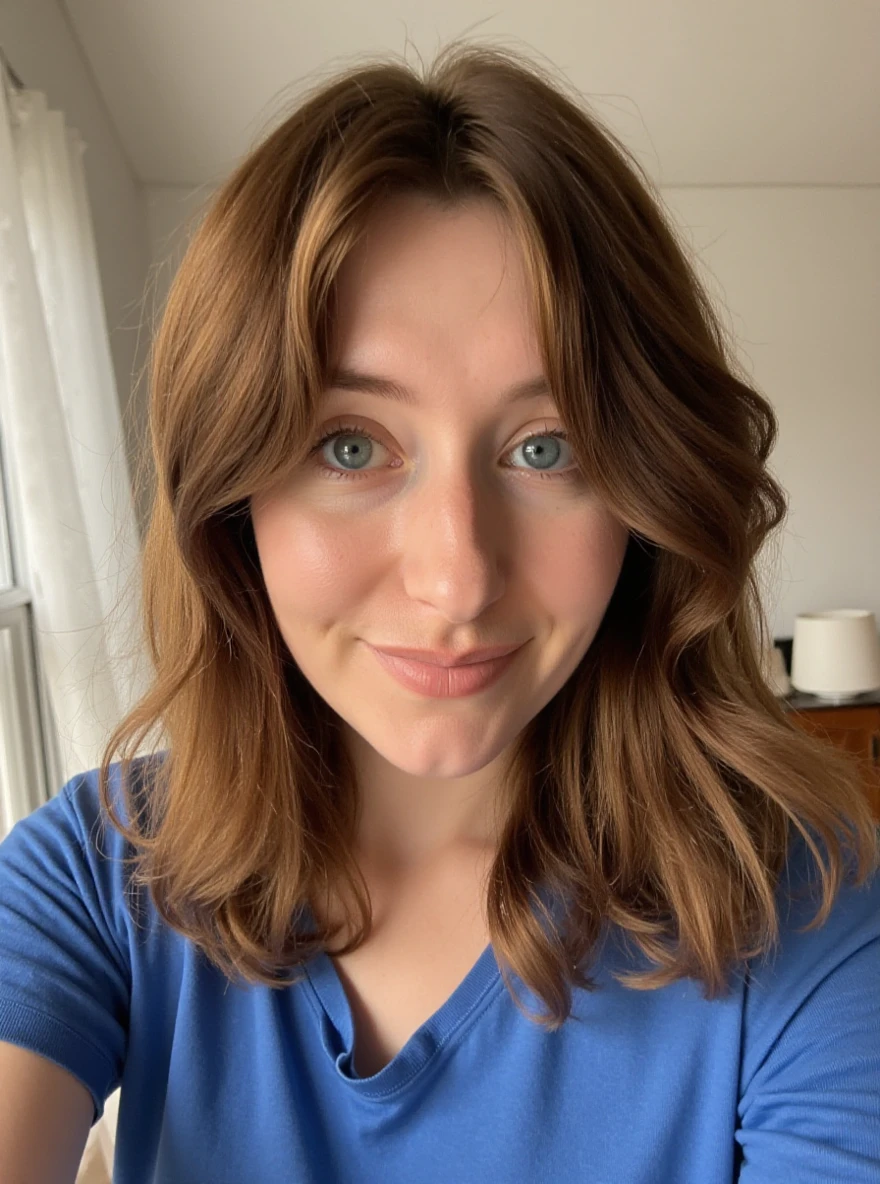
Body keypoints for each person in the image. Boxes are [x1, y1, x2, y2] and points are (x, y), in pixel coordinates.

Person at [1, 40, 878, 1184]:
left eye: (546, 445)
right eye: (350, 444)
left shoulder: (805, 914)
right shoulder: (97, 875)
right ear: (232, 497)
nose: (456, 578)